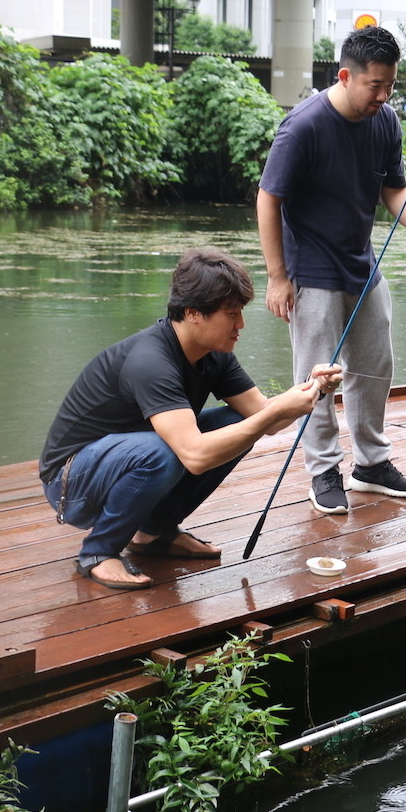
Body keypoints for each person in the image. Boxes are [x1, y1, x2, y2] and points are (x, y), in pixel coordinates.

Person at [39, 248, 341, 590]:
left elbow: (265, 420)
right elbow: (195, 455)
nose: (240, 324)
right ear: (193, 313)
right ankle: (98, 552)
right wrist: (274, 410)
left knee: (234, 424)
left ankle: (153, 533)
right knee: (167, 450)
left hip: (122, 464)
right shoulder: (151, 361)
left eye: (240, 312)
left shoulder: (215, 354)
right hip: (70, 485)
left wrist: (314, 389)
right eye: (231, 314)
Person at [256, 25, 406, 516]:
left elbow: (393, 191)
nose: (385, 96)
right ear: (346, 76)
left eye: (391, 86)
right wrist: (277, 275)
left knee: (375, 366)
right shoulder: (303, 126)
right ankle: (324, 472)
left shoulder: (385, 122)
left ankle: (371, 465)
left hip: (362, 265)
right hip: (311, 271)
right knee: (317, 378)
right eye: (376, 86)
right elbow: (268, 197)